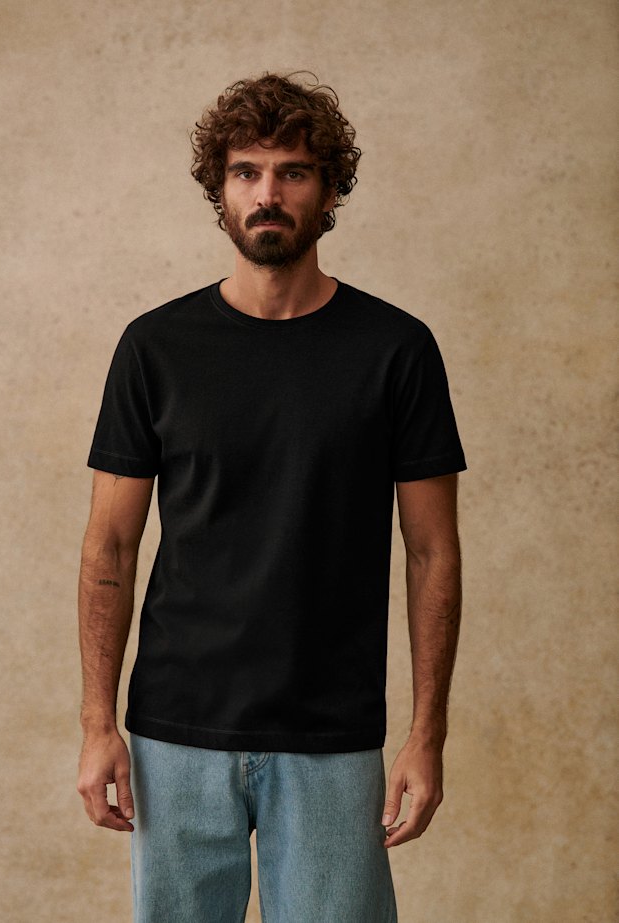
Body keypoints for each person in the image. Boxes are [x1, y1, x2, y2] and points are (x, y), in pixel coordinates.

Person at [77, 71, 466, 923]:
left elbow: (433, 550)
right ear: (218, 191)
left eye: (293, 172)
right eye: (246, 171)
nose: (268, 194)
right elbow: (110, 546)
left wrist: (426, 734)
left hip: (332, 734)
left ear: (329, 190)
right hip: (175, 733)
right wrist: (98, 722)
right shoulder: (155, 348)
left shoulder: (396, 350)